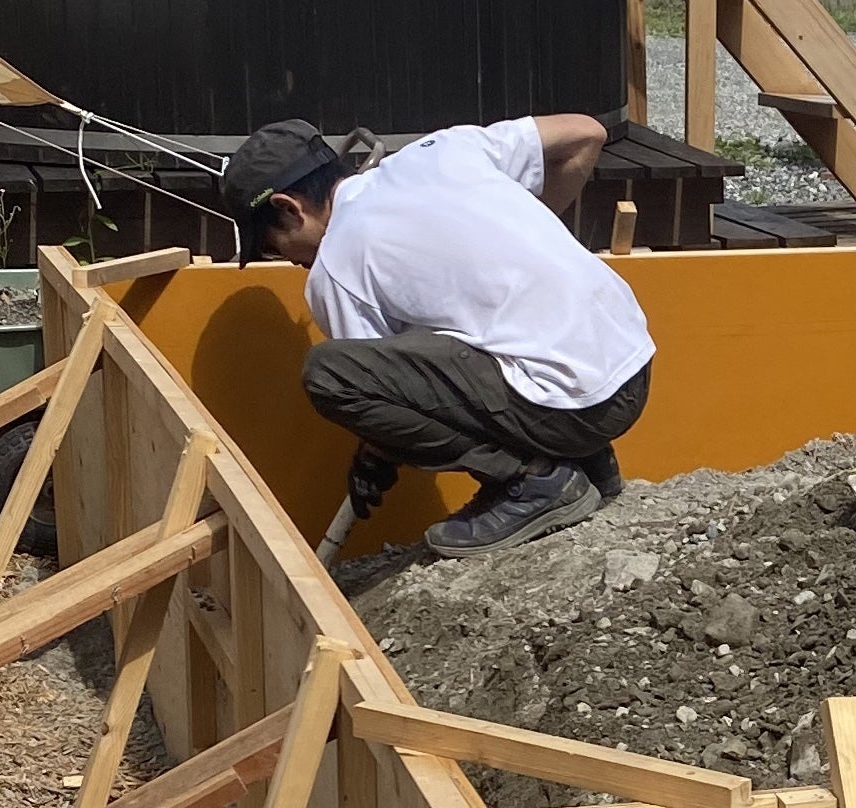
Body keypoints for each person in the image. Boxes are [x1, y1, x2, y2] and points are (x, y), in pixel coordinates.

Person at [219, 113, 653, 561]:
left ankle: (534, 480)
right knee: (477, 333)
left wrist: (375, 455)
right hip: (631, 366)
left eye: (271, 247)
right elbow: (586, 133)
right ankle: (586, 460)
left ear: (289, 209)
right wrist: (516, 240)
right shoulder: (444, 150)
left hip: (576, 407)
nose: (289, 261)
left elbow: (384, 390)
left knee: (329, 373)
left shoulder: (336, 265)